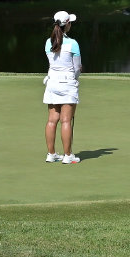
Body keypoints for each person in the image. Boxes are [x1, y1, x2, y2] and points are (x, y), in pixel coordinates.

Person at [42, 11, 82, 164]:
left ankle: (51, 154)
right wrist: (76, 80)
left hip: (52, 83)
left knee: (52, 120)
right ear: (68, 24)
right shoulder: (73, 43)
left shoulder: (48, 42)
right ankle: (68, 155)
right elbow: (77, 68)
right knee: (66, 120)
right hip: (67, 83)